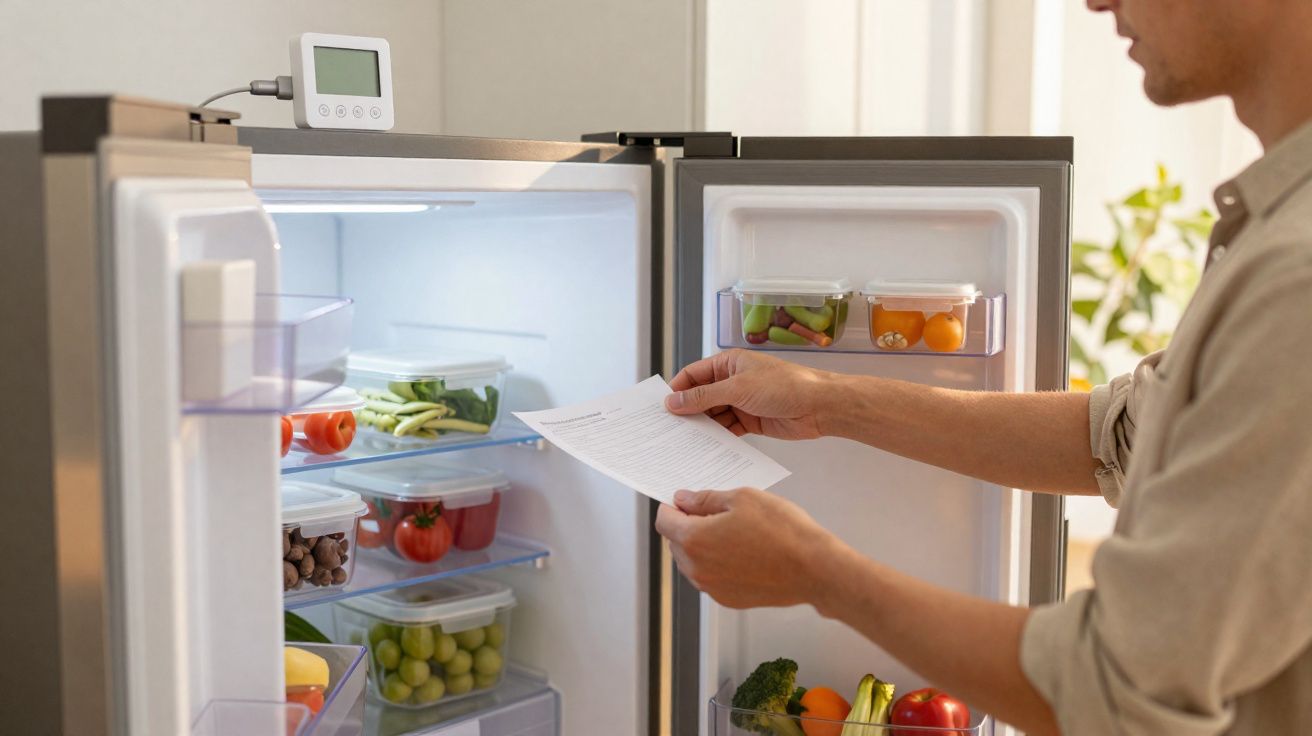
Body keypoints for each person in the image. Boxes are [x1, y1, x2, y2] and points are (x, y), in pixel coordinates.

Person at [653, 0, 1312, 733]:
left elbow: (1118, 683)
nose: (1095, 2)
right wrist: (823, 399)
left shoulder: (1298, 272)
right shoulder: (1278, 229)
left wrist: (815, 570)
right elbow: (1121, 438)